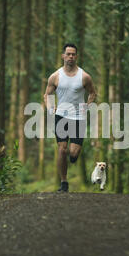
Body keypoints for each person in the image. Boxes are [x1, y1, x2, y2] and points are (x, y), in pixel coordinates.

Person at [44, 43, 96, 192]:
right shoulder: (55, 76)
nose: (71, 57)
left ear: (76, 57)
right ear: (63, 56)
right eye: (68, 54)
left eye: (73, 54)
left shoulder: (84, 76)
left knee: (73, 152)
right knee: (62, 149)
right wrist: (50, 108)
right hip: (61, 115)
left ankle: (73, 157)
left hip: (78, 117)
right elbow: (47, 95)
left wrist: (87, 104)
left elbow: (93, 93)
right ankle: (64, 182)